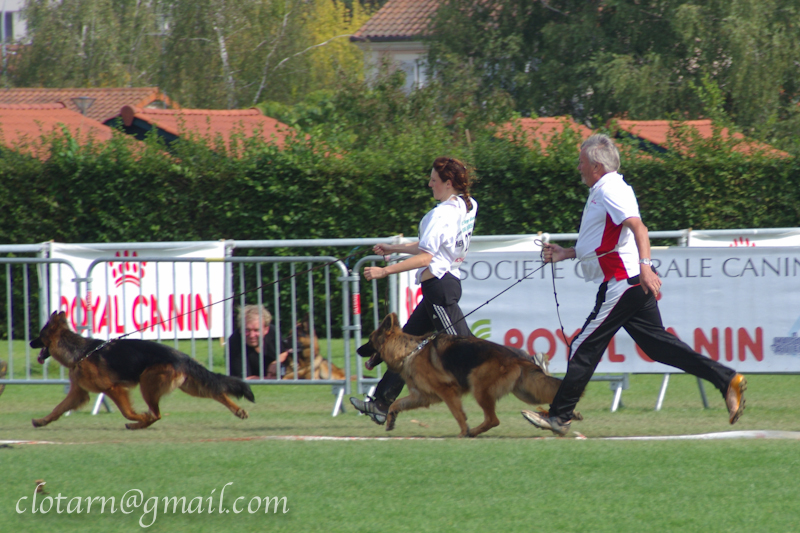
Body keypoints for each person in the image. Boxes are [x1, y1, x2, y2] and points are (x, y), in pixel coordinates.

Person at [522, 134, 746, 436]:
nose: (578, 167)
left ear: (597, 166)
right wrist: (566, 253)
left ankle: (559, 416)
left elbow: (638, 227)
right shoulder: (603, 188)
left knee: (582, 346)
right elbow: (602, 240)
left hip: (623, 282)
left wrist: (645, 267)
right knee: (658, 348)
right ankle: (727, 380)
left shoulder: (611, 188)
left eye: (582, 162)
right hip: (627, 283)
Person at [350, 157, 478, 424]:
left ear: (448, 183)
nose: (429, 183)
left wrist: (384, 271)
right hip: (441, 286)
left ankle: (523, 367)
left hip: (440, 289)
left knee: (471, 352)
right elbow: (429, 246)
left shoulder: (440, 213)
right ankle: (380, 404)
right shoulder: (467, 205)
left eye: (434, 179)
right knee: (403, 346)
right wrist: (394, 249)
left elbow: (425, 258)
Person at [228, 305, 291, 380]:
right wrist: (273, 379)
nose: (251, 335)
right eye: (247, 330)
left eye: (256, 330)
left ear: (266, 329)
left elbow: (286, 352)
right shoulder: (234, 341)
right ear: (240, 329)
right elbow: (244, 379)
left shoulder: (273, 332)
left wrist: (277, 362)